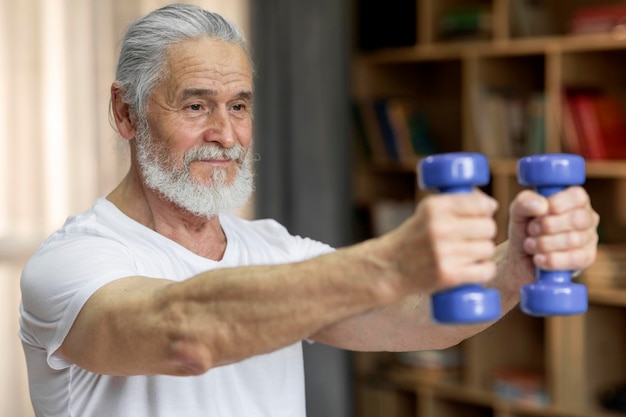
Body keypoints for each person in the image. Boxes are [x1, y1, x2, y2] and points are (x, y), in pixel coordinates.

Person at [18, 3, 599, 417]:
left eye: (239, 105)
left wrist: (516, 266)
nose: (225, 134)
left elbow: (417, 316)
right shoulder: (71, 262)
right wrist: (390, 260)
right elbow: (183, 331)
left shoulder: (275, 249)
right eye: (196, 105)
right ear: (126, 113)